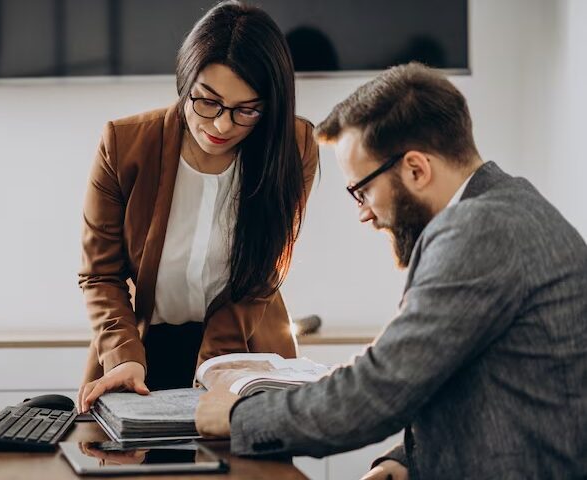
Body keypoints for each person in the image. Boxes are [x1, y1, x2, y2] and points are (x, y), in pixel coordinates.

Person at [195, 62, 587, 479]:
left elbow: (380, 388)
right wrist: (404, 460)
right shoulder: (508, 207)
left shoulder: (479, 230)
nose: (363, 213)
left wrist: (241, 416)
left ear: (416, 169)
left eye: (362, 190)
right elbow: (474, 386)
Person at [77, 1, 319, 413]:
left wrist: (216, 365)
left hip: (245, 349)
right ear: (184, 82)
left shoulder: (293, 148)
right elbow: (100, 274)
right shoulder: (125, 143)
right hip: (140, 351)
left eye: (247, 110)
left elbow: (265, 271)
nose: (223, 125)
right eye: (207, 102)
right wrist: (123, 354)